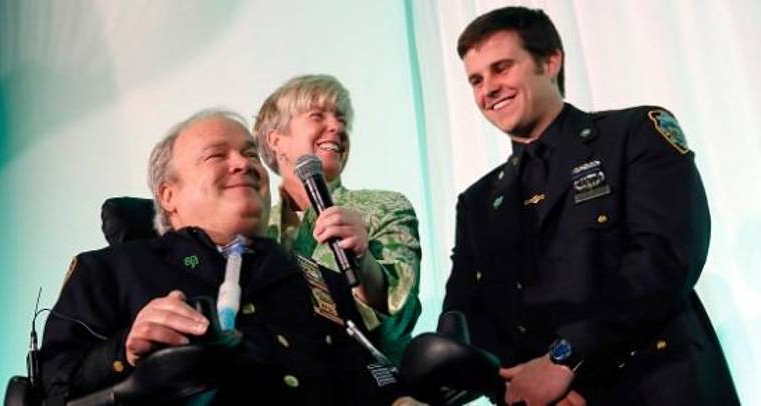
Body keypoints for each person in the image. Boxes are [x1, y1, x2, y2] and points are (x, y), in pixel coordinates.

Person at [442, 6, 739, 405]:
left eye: (502, 68)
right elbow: (466, 318)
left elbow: (665, 257)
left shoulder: (634, 134)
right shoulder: (476, 202)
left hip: (654, 385)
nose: (488, 88)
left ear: (550, 61)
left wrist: (564, 360)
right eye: (476, 79)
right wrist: (518, 385)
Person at [39, 109, 395, 404]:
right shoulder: (110, 271)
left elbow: (371, 373)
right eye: (216, 155)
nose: (244, 163)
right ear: (168, 195)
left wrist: (400, 398)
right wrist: (123, 354)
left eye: (251, 153)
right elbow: (51, 388)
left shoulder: (318, 279)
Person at [253, 74, 421, 363]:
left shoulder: (384, 207)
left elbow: (398, 324)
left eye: (341, 119)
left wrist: (363, 259)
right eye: (317, 115)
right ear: (276, 140)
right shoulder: (256, 231)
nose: (336, 127)